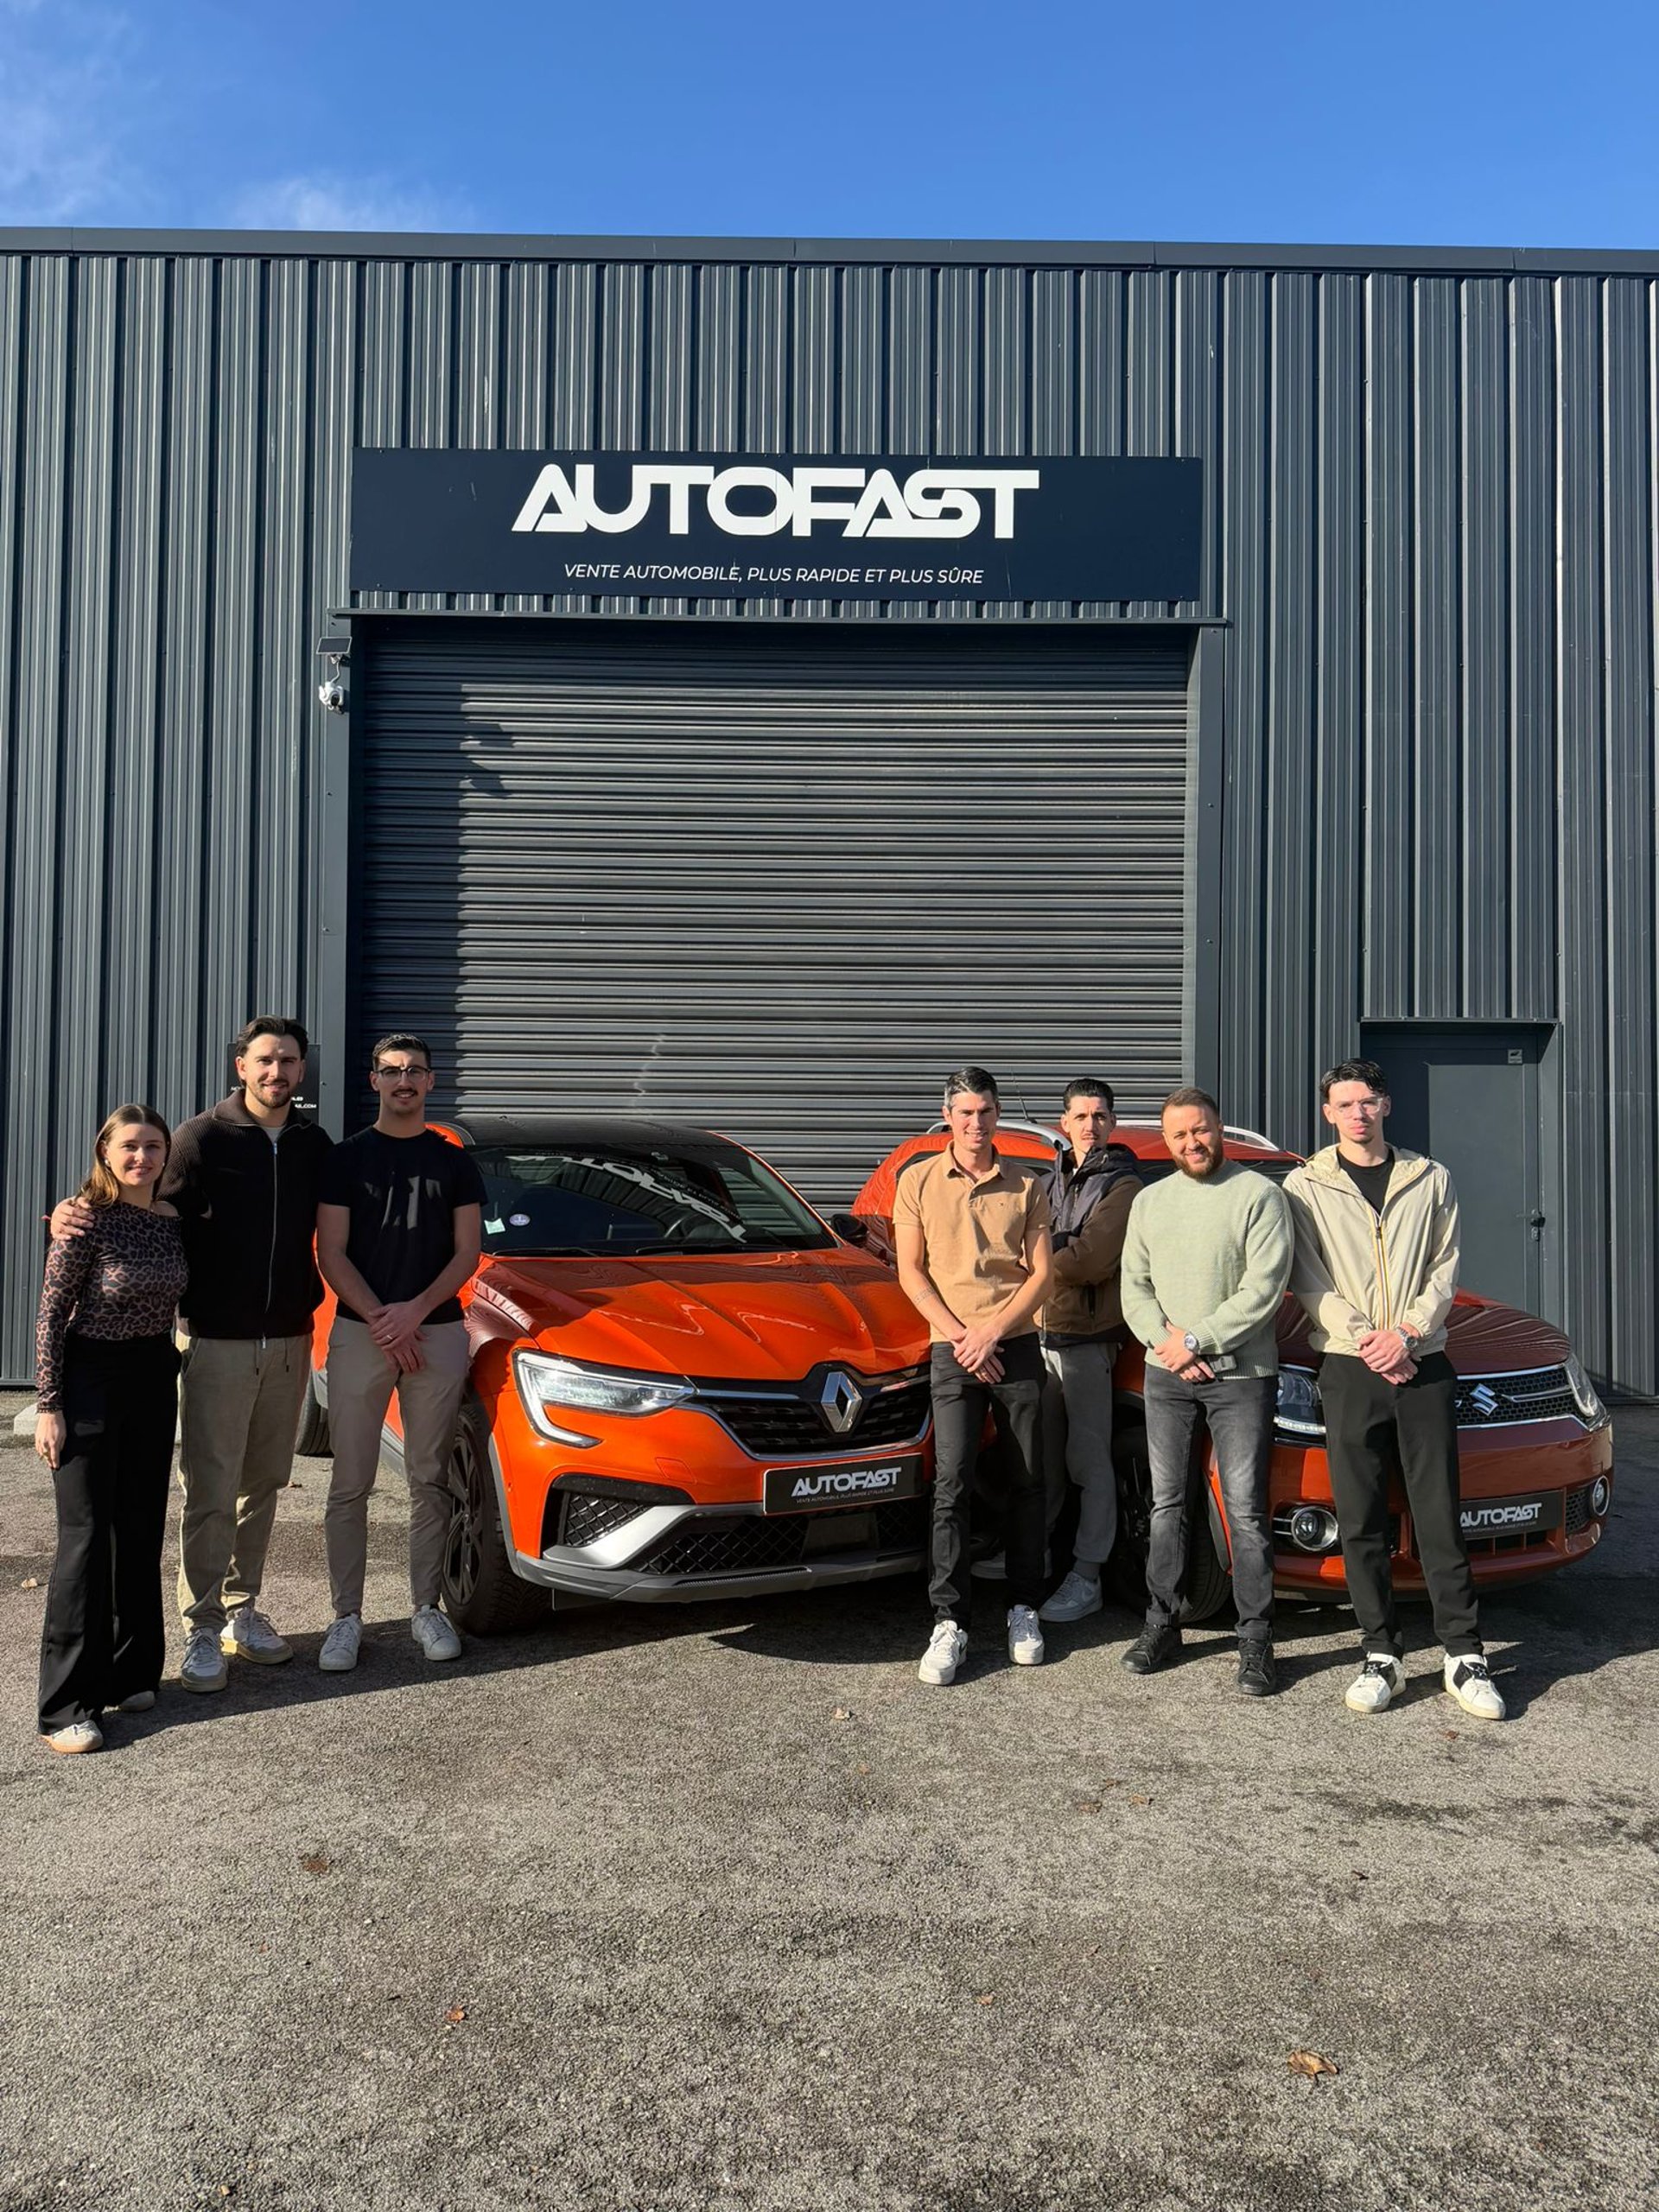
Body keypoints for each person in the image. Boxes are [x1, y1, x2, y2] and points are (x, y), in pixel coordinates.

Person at [48, 1017, 334, 1695]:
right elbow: (135, 1204)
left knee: (264, 1484)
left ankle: (241, 1609)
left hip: (290, 1338)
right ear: (242, 1066)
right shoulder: (198, 1139)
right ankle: (200, 1625)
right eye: (264, 1060)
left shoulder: (313, 1144)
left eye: (288, 1060)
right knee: (211, 1487)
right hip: (214, 1339)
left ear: (301, 1069)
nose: (276, 1072)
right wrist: (67, 1213)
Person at [1283, 1059, 1505, 1720]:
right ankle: (1381, 1654)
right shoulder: (1304, 1186)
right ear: (1328, 1112)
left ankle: (1464, 1655)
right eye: (1345, 1103)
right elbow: (1308, 1279)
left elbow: (1445, 1267)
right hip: (1349, 1368)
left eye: (1368, 1101)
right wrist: (1370, 1342)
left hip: (1422, 1362)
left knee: (1439, 1515)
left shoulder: (1430, 1178)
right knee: (1360, 1520)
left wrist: (1406, 1334)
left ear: (1386, 1106)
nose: (1358, 1113)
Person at [315, 1033, 484, 1671]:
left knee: (429, 1478)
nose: (404, 1080)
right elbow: (332, 1252)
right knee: (349, 1482)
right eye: (392, 1070)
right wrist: (383, 1321)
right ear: (375, 1080)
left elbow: (466, 1253)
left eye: (415, 1070)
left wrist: (413, 1313)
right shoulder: (346, 1158)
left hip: (437, 1332)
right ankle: (345, 1618)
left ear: (431, 1081)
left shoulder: (454, 1163)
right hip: (361, 1333)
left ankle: (425, 1608)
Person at [1119, 1088, 1293, 1696]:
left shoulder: (1259, 1195)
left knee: (1244, 1510)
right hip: (1167, 1375)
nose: (1192, 1142)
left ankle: (1256, 1640)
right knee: (1167, 1505)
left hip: (1240, 1378)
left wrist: (1197, 1340)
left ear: (1219, 1128)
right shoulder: (1150, 1202)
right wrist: (1169, 1344)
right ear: (1166, 1142)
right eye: (1180, 1135)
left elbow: (1263, 1289)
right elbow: (1134, 1287)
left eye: (1201, 1130)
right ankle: (1162, 1624)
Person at [33, 1106, 188, 1753]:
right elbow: (51, 1314)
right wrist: (49, 1404)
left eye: (153, 1146)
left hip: (152, 1374)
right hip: (90, 1376)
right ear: (105, 1151)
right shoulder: (83, 1219)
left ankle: (132, 1669)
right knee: (87, 1536)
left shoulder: (171, 1220)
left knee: (140, 1525)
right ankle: (67, 1705)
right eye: (129, 1146)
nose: (141, 1157)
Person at [893, 1067, 1053, 1686]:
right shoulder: (918, 1181)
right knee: (952, 1483)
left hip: (1015, 1345)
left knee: (1028, 1481)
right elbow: (911, 1271)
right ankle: (949, 1621)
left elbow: (1042, 1275)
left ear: (997, 1115)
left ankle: (1023, 1608)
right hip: (952, 1348)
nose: (976, 1122)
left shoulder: (1027, 1184)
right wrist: (964, 1337)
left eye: (985, 1111)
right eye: (965, 1112)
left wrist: (993, 1332)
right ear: (948, 1116)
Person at [1036, 1078, 1141, 1627]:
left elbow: (1091, 1260)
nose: (1090, 1125)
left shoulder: (1124, 1184)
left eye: (1099, 1116)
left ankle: (1088, 1574)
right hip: (1039, 1335)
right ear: (1064, 1123)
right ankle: (1038, 1556)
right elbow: (1017, 1244)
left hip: (1087, 1340)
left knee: (1088, 1460)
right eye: (1080, 1116)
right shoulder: (1048, 1180)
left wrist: (1039, 1255)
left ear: (1112, 1123)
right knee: (1042, 1459)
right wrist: (1054, 1249)